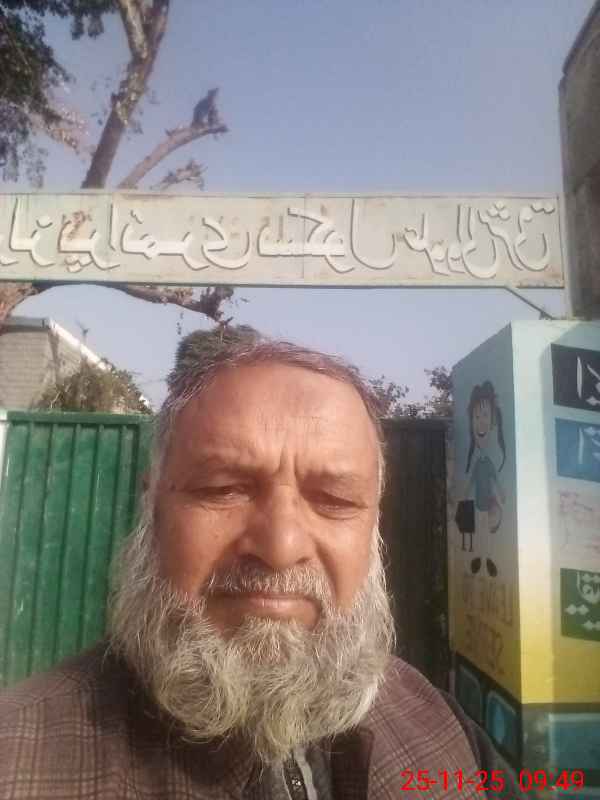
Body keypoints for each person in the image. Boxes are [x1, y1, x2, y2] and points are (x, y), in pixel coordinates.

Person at [0, 328, 521, 799]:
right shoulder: (20, 762)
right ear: (151, 508)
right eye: (223, 489)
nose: (281, 545)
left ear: (373, 528)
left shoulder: (444, 728)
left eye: (335, 500)